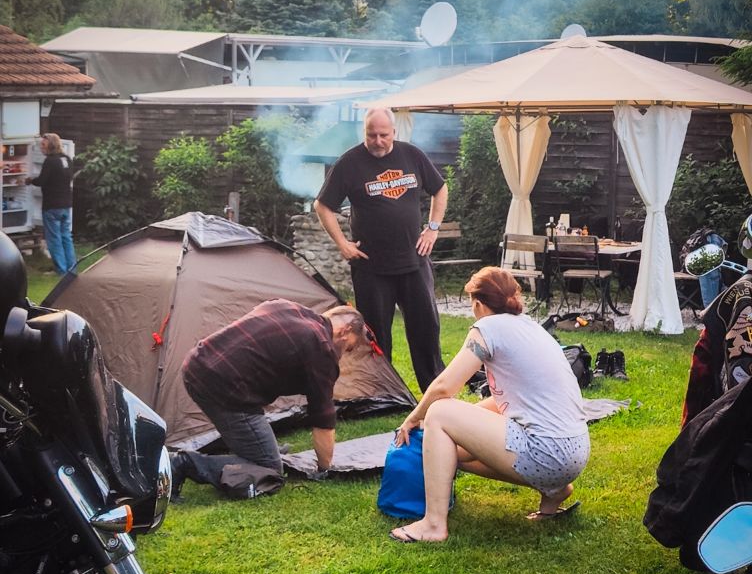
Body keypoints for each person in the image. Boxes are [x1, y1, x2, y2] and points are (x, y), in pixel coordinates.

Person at [388, 266, 590, 543]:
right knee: (452, 450)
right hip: (575, 451)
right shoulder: (530, 326)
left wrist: (414, 418)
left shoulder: (488, 327)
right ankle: (554, 492)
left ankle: (433, 526)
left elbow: (445, 387)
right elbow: (512, 397)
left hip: (547, 452)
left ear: (478, 304)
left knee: (439, 412)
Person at [314, 106, 447, 392]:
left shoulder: (412, 155)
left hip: (415, 261)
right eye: (371, 135)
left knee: (426, 329)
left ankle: (434, 387)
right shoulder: (349, 163)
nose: (377, 141)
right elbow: (322, 205)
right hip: (371, 267)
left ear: (394, 132)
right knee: (376, 334)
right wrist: (342, 244)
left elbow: (440, 188)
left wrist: (433, 228)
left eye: (383, 135)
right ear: (364, 133)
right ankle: (383, 391)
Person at [181, 299, 365, 481]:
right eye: (349, 347)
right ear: (345, 330)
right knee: (269, 468)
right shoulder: (322, 349)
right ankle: (183, 463)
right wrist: (325, 468)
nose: (344, 353)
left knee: (260, 448)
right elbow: (323, 419)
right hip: (225, 388)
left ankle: (262, 448)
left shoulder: (288, 307)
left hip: (197, 362)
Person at [681, 214, 752, 426]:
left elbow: (700, 376)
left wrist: (690, 431)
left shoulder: (731, 301)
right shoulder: (734, 300)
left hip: (734, 431)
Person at [25, 132, 76, 275]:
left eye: (43, 144)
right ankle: (72, 269)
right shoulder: (66, 159)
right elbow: (68, 178)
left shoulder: (50, 161)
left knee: (54, 239)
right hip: (66, 204)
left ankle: (61, 270)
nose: (41, 147)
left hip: (52, 206)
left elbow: (42, 181)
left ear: (51, 145)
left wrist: (30, 180)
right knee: (66, 237)